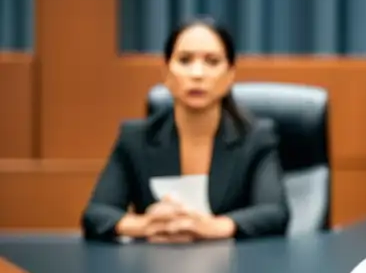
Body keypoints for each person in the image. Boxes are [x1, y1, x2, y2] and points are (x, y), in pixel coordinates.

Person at [81, 16, 290, 242]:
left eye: (212, 61)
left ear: (230, 75)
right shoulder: (136, 139)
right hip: (157, 268)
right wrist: (145, 225)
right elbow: (95, 215)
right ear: (166, 74)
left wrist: (212, 227)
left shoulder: (256, 138)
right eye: (185, 60)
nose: (197, 74)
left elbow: (275, 213)